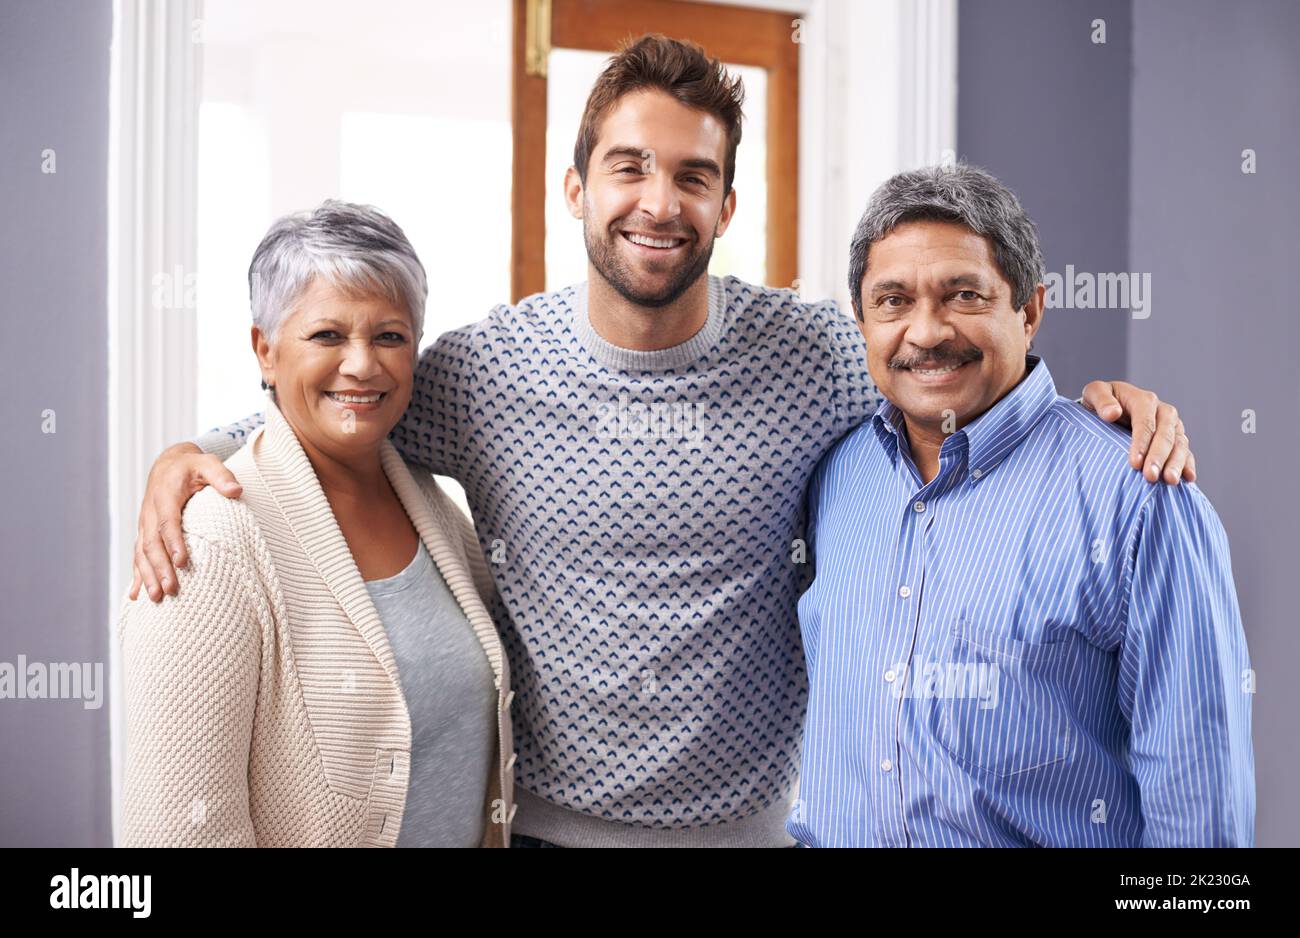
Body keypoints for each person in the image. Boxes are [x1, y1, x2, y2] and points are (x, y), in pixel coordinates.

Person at [130, 36, 1193, 847]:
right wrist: (198, 446)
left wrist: (1089, 415)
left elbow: (946, 372)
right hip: (540, 830)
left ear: (726, 203)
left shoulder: (815, 352)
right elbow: (345, 396)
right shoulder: (486, 369)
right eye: (629, 167)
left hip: (752, 833)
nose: (658, 201)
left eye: (691, 176)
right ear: (576, 189)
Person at [788, 165, 1253, 847]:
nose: (926, 332)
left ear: (1029, 310)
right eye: (892, 301)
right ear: (861, 320)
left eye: (964, 295)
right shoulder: (836, 474)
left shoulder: (1136, 497)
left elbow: (1200, 813)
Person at [118, 201, 514, 847]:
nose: (362, 365)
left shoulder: (434, 510)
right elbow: (178, 832)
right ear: (265, 351)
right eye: (328, 336)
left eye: (389, 336)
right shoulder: (211, 546)